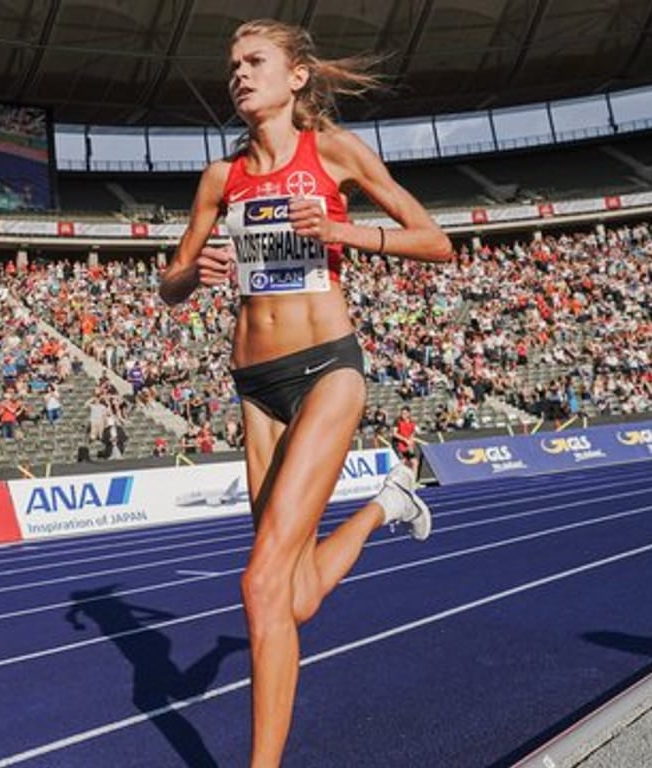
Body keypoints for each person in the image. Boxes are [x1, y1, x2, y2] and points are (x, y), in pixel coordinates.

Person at [157, 19, 452, 765]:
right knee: (292, 596)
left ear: (296, 77)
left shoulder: (336, 153)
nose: (238, 74)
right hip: (255, 387)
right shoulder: (221, 179)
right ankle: (390, 503)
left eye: (255, 61)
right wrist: (200, 274)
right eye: (232, 65)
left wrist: (345, 232)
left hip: (328, 369)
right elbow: (170, 283)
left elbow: (435, 241)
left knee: (259, 586)